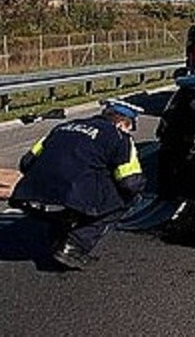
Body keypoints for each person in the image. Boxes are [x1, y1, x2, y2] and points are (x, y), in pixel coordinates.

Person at [9, 99, 146, 269]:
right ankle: (74, 246)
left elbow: (26, 162)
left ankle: (57, 237)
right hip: (72, 195)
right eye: (130, 126)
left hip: (29, 194)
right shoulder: (120, 137)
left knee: (78, 192)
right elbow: (130, 182)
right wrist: (141, 191)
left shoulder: (63, 127)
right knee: (124, 200)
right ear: (121, 123)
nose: (130, 130)